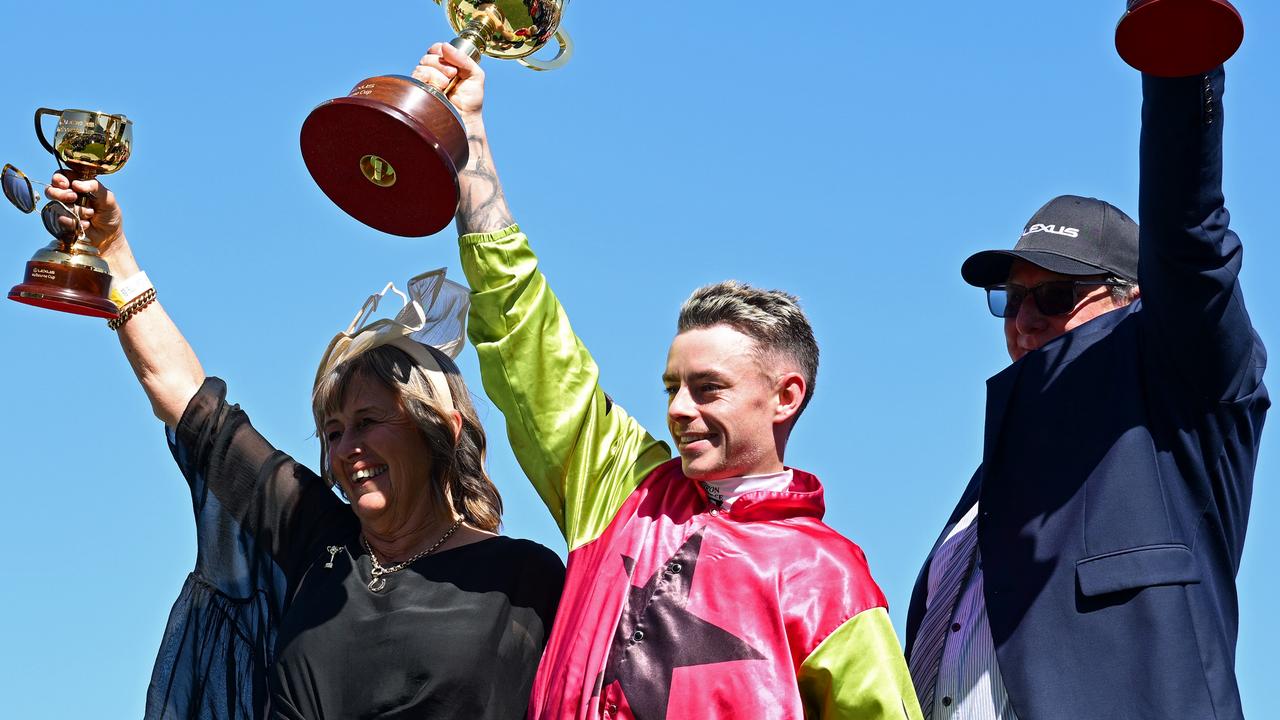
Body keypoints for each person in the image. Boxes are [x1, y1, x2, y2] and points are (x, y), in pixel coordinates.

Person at [412, 45, 923, 720]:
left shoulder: (827, 576)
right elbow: (524, 327)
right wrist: (468, 140)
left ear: (786, 396)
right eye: (671, 387)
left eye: (707, 388)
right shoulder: (621, 489)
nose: (679, 410)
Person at [43, 174, 565, 719]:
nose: (348, 447)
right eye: (334, 431)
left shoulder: (525, 579)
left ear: (441, 429)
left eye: (368, 421)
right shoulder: (318, 540)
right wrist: (115, 255)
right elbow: (188, 403)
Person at [902, 54, 1268, 720]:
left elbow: (1191, 238)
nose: (1024, 320)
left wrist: (1177, 53)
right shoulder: (983, 497)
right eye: (1009, 300)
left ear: (1133, 302)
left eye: (1056, 295)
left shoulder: (1182, 406)